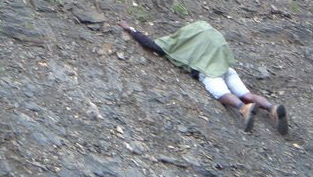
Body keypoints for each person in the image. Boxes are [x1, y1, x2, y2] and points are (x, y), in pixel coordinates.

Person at [118, 20, 288, 134]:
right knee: (247, 94)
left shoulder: (183, 42)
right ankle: (271, 108)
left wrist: (131, 30)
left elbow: (153, 45)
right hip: (225, 67)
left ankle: (243, 108)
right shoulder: (208, 33)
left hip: (208, 71)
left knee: (221, 93)